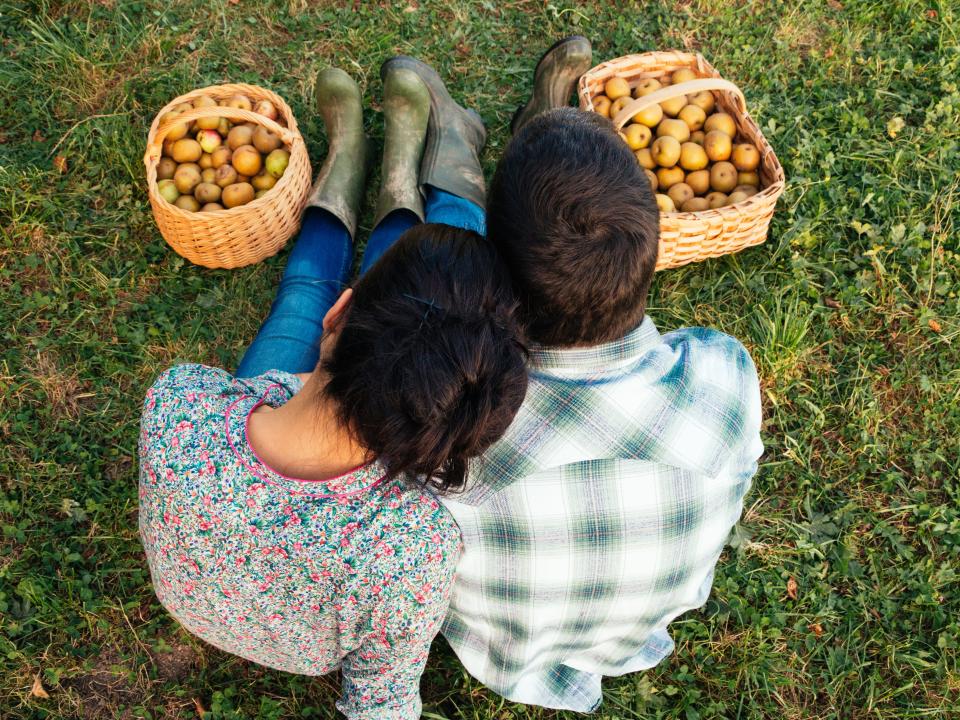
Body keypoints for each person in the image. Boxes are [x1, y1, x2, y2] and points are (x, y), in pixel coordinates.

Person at [138, 62, 528, 719]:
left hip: (207, 567)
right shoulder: (415, 552)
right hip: (293, 630)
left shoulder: (179, 406)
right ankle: (401, 174)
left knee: (307, 292)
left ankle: (350, 171)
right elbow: (382, 702)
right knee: (410, 300)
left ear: (338, 319)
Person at [437, 38, 764, 711]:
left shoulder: (450, 427)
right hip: (628, 638)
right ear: (651, 253)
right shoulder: (725, 381)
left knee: (443, 245)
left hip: (499, 649)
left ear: (497, 280)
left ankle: (456, 161)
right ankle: (502, 139)